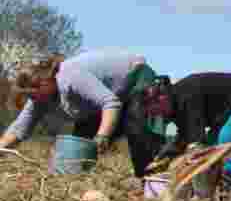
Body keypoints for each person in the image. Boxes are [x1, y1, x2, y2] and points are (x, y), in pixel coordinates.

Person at [0, 49, 157, 156]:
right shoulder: (40, 98)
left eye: (34, 96)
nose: (32, 101)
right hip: (109, 99)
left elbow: (110, 103)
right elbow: (17, 129)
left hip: (136, 76)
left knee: (138, 128)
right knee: (78, 152)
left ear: (45, 82)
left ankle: (155, 176)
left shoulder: (69, 76)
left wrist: (102, 136)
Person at [141, 72, 231, 190]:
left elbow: (195, 142)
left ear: (162, 98)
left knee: (224, 147)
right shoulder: (176, 105)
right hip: (225, 113)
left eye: (156, 112)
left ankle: (227, 195)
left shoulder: (187, 97)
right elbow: (183, 137)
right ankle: (207, 193)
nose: (158, 116)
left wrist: (181, 164)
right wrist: (163, 158)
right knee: (209, 148)